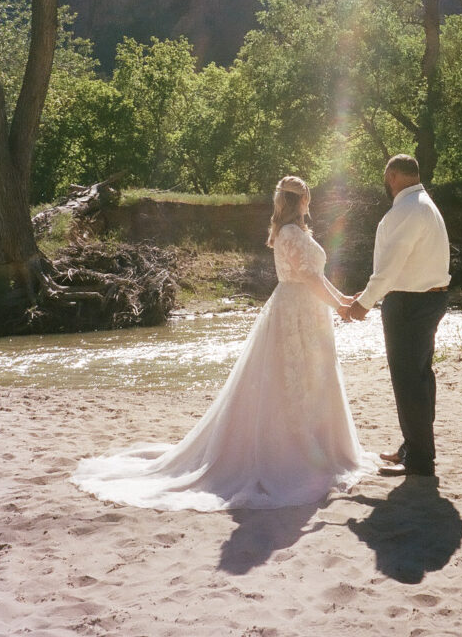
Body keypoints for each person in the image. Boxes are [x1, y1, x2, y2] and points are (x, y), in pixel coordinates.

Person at [71, 176, 376, 511]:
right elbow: (309, 277)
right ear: (302, 200)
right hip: (295, 311)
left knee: (312, 378)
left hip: (306, 309)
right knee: (291, 379)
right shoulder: (290, 233)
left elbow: (316, 278)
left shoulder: (296, 232)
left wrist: (343, 299)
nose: (310, 202)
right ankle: (295, 453)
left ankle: (320, 447)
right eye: (308, 197)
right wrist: (340, 305)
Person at [345, 154, 451, 478]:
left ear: (392, 175)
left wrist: (363, 304)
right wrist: (367, 298)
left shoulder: (409, 209)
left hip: (410, 303)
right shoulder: (422, 204)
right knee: (419, 378)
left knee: (408, 380)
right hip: (425, 299)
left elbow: (389, 267)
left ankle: (419, 459)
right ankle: (415, 447)